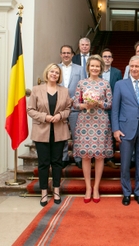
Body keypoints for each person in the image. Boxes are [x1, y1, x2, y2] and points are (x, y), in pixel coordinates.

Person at [112, 55, 139, 206]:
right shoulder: (120, 84)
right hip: (125, 129)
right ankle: (126, 193)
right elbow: (115, 109)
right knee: (124, 164)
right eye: (132, 66)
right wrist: (116, 129)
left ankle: (138, 193)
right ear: (129, 67)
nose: (135, 69)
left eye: (137, 66)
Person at [27, 63, 72, 207]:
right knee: (43, 164)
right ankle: (44, 192)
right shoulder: (36, 89)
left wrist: (60, 115)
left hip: (59, 131)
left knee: (57, 163)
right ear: (47, 73)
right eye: (52, 72)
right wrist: (44, 117)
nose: (54, 74)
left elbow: (68, 108)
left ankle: (56, 190)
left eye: (57, 73)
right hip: (41, 132)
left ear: (59, 76)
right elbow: (30, 109)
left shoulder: (64, 91)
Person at [73, 54, 113, 204]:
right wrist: (85, 105)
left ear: (101, 68)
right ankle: (88, 187)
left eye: (97, 66)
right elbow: (75, 104)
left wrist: (98, 103)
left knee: (99, 155)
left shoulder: (105, 84)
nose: (95, 68)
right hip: (85, 121)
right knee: (86, 155)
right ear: (88, 67)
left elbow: (110, 103)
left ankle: (96, 187)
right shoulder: (81, 83)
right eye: (92, 66)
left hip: (100, 121)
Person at [59, 45, 85, 169]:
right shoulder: (55, 68)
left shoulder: (80, 69)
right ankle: (64, 158)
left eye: (68, 53)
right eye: (64, 53)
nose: (66, 55)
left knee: (77, 134)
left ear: (72, 55)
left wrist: (73, 100)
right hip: (59, 108)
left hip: (75, 107)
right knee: (62, 134)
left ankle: (78, 158)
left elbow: (83, 87)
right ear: (60, 55)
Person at [101, 48, 123, 169]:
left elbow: (120, 90)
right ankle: (97, 157)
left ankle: (110, 158)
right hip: (97, 108)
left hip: (112, 107)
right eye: (105, 56)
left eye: (109, 57)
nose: (107, 59)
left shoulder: (117, 72)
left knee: (111, 133)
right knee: (98, 134)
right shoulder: (95, 71)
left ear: (112, 59)